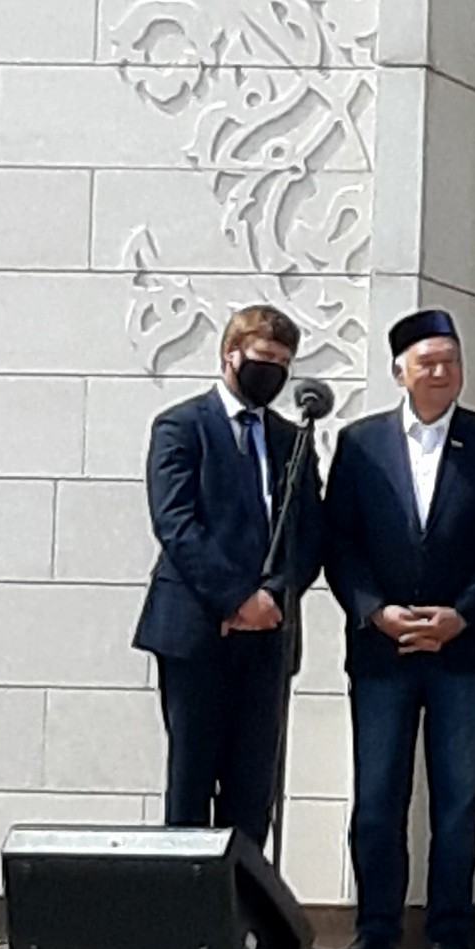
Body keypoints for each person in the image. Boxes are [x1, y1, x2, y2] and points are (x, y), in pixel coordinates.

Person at [323, 309, 475, 949]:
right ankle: (376, 930)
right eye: (428, 362)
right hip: (382, 651)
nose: (442, 372)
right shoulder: (360, 443)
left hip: (462, 648)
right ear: (400, 372)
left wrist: (461, 614)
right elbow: (340, 541)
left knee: (458, 798)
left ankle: (451, 930)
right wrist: (374, 610)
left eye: (451, 360)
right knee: (378, 798)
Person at [133, 304, 326, 851]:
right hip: (196, 631)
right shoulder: (181, 426)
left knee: (252, 788)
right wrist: (236, 599)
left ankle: (244, 900)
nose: (274, 372)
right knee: (191, 781)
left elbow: (309, 532)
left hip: (268, 638)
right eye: (264, 358)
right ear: (230, 355)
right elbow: (176, 523)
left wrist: (273, 597)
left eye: (284, 363)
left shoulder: (292, 439)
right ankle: (187, 901)